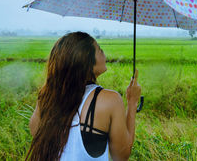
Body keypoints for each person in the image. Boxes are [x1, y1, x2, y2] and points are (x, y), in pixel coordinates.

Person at [26, 32, 141, 161]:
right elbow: (121, 156)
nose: (104, 54)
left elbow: (35, 132)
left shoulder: (47, 96)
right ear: (86, 60)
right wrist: (132, 103)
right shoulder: (110, 100)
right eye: (100, 50)